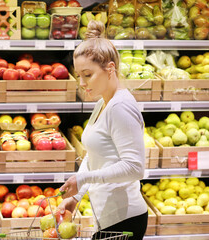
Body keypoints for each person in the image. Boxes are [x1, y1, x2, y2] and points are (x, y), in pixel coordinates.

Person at [58, 20, 148, 240]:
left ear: (110, 69)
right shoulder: (104, 102)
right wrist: (77, 194)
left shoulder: (120, 107)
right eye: (79, 75)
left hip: (125, 219)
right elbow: (95, 155)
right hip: (109, 217)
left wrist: (84, 179)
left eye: (87, 75)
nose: (81, 82)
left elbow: (134, 167)